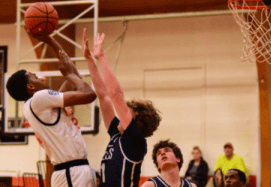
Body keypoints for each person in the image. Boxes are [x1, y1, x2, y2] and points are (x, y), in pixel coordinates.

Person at [6, 32, 97, 187]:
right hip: (71, 173)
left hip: (74, 171)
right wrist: (69, 75)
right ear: (30, 87)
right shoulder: (39, 99)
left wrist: (52, 42)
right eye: (35, 76)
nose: (41, 77)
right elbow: (89, 94)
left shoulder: (38, 104)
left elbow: (74, 78)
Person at [82, 29, 161, 187]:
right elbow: (104, 97)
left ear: (137, 121)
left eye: (128, 111)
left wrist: (102, 57)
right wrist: (89, 60)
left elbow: (115, 95)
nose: (121, 111)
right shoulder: (118, 134)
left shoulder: (135, 139)